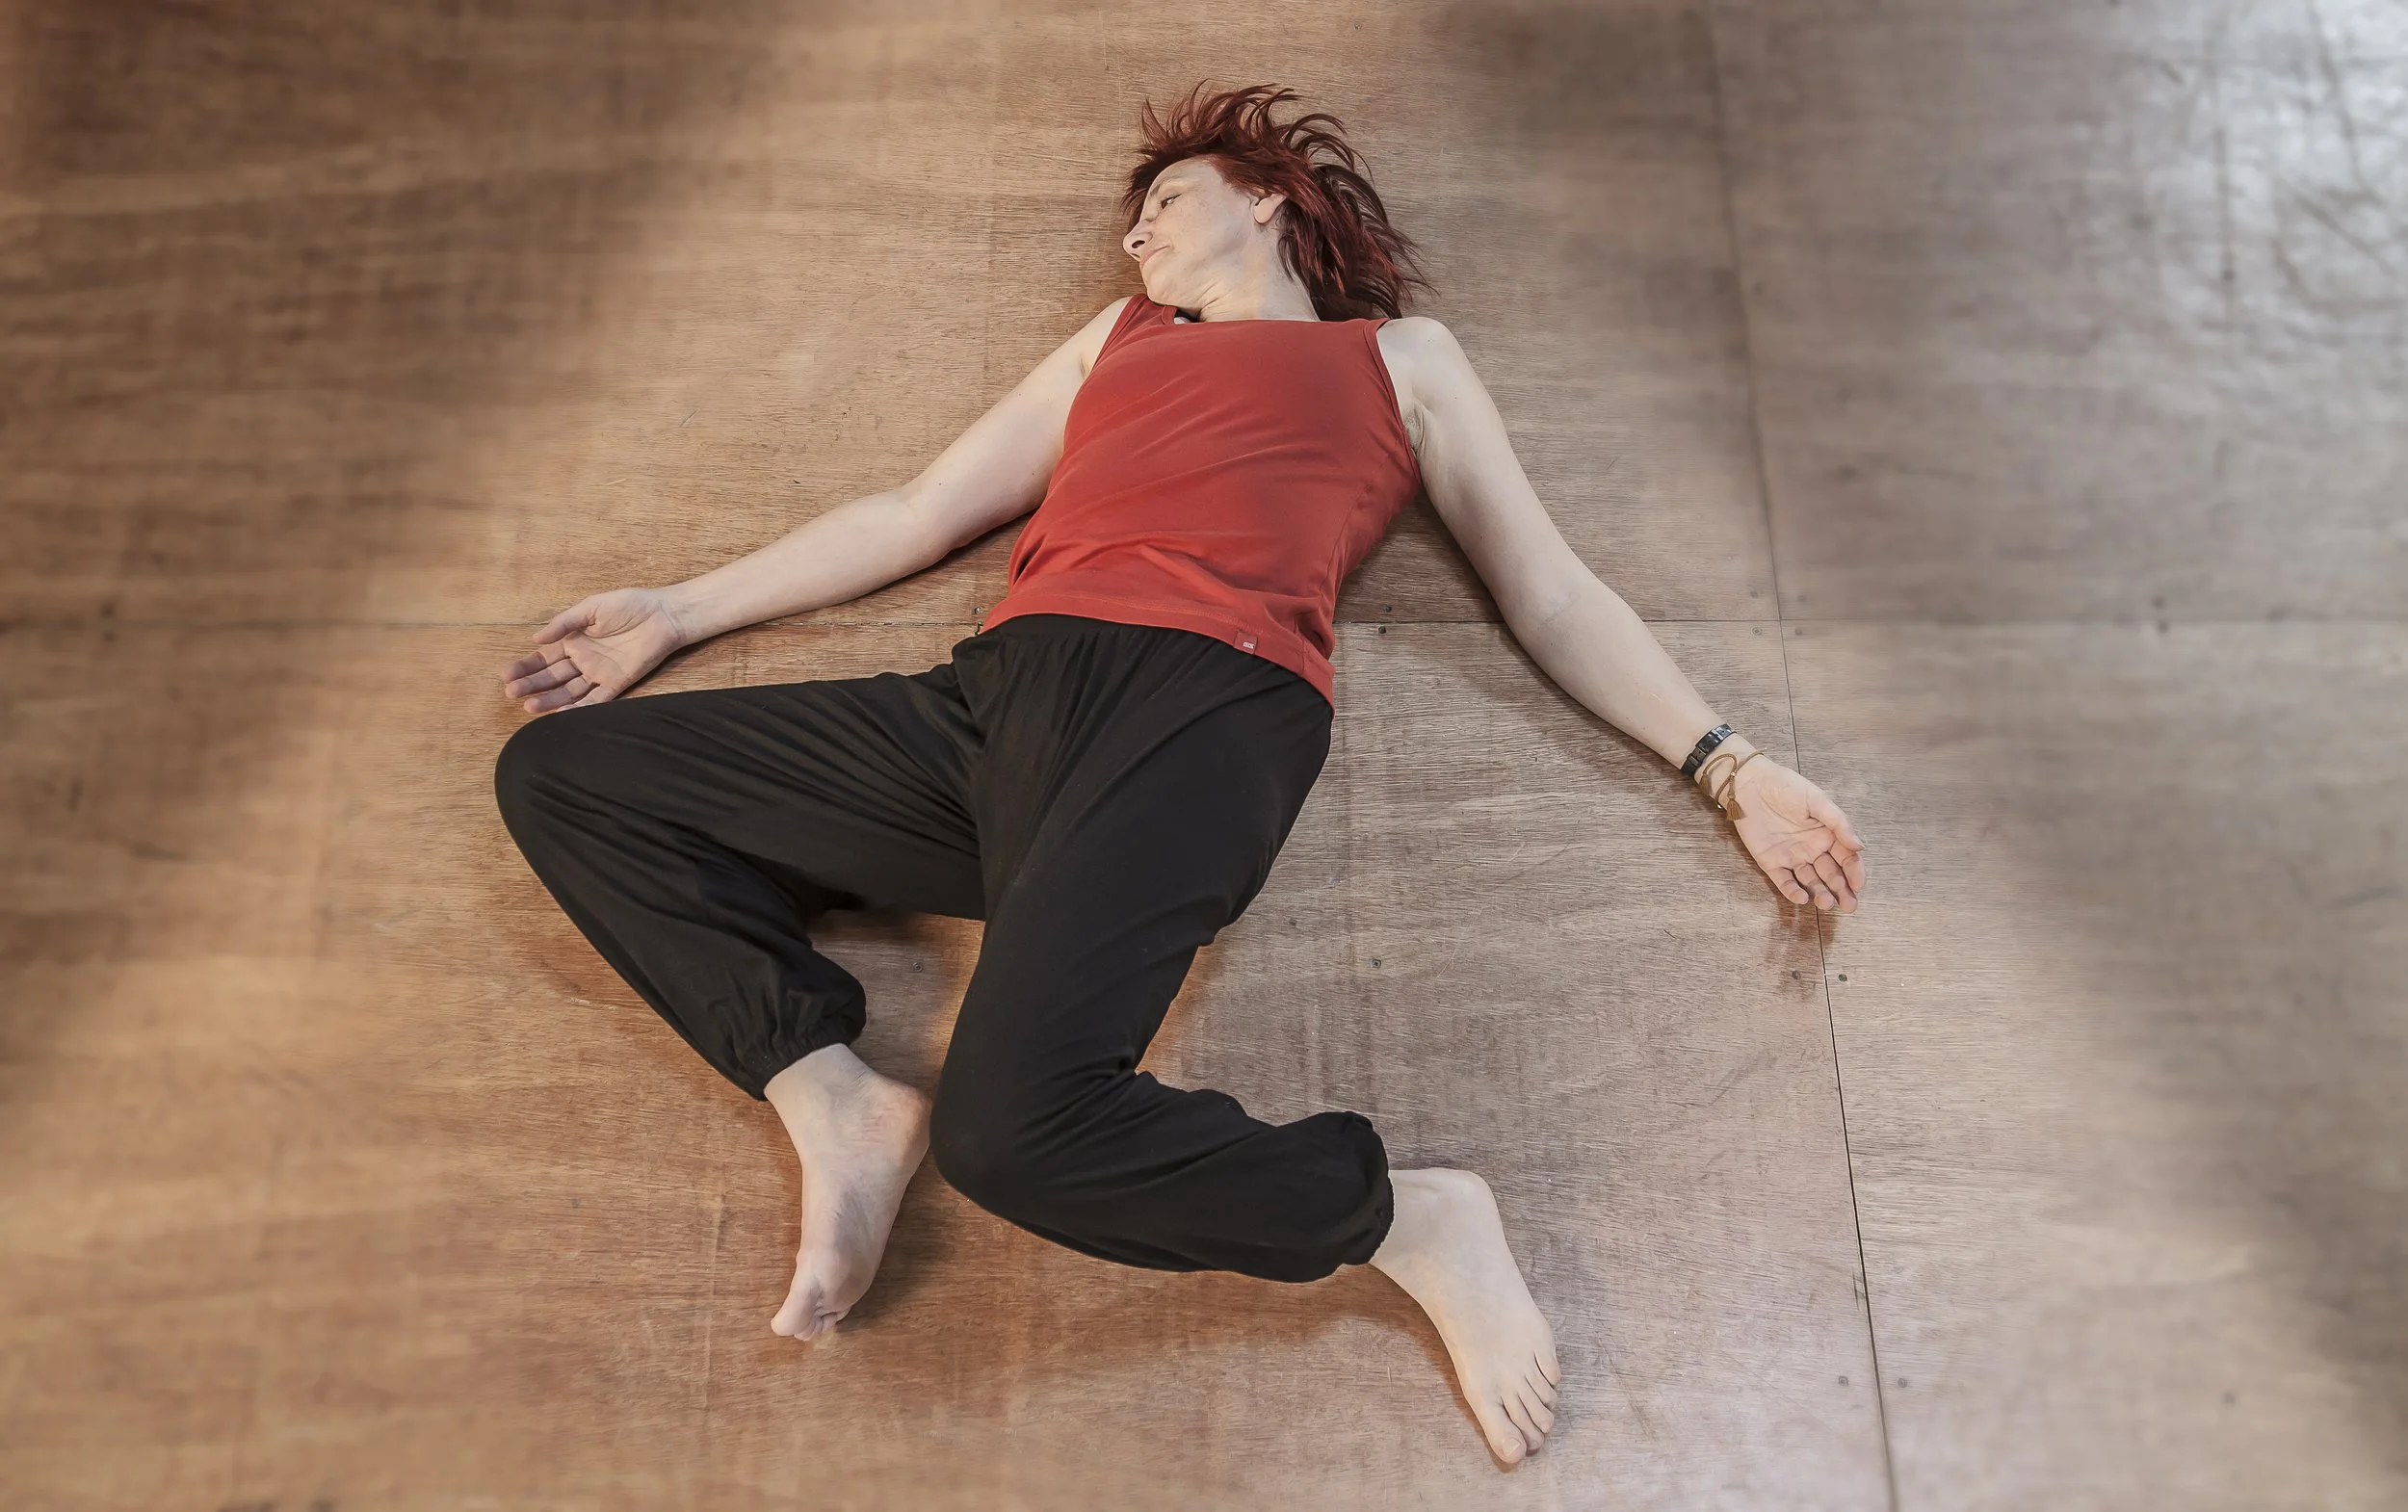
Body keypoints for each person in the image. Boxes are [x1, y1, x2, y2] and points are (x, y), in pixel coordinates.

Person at [492, 82, 1866, 1469]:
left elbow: (1551, 593)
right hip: (1001, 702)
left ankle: (1406, 1216)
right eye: (1134, 218)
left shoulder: (1398, 360)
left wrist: (1727, 764)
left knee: (1011, 1140)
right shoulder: (1118, 338)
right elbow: (919, 510)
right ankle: (827, 1091)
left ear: (1267, 198)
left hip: (1200, 706)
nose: (1137, 232)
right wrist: (676, 612)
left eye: (1168, 198)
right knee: (567, 774)